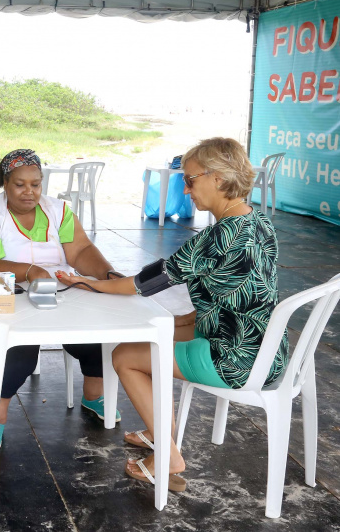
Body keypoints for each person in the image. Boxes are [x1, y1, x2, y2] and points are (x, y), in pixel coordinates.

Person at [57, 137, 287, 492]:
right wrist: (181, 323)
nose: (186, 188)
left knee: (124, 357)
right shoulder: (258, 221)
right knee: (153, 339)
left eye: (190, 179)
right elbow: (233, 292)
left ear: (218, 178)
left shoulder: (216, 237)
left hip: (233, 359)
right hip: (267, 351)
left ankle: (167, 455)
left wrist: (87, 282)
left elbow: (140, 284)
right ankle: (156, 427)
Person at [0, 148, 122, 452]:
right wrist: (31, 271)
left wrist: (108, 274)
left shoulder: (59, 210)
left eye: (36, 184)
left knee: (95, 334)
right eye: (20, 184)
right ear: (4, 185)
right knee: (18, 352)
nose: (29, 192)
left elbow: (80, 252)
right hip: (12, 294)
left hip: (59, 287)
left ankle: (93, 396)